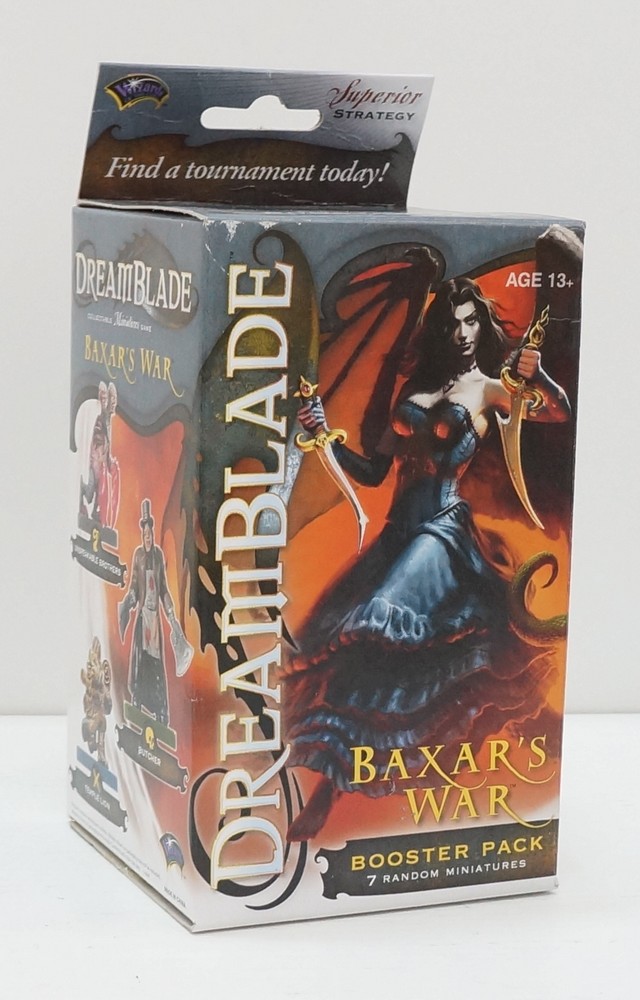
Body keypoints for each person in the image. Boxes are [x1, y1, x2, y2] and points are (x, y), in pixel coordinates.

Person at [284, 277, 570, 841]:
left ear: (480, 326)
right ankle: (330, 785)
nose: (462, 333)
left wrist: (537, 374)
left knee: (380, 617)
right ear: (440, 328)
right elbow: (373, 472)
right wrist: (324, 434)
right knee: (357, 654)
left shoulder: (490, 389)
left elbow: (556, 412)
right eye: (453, 323)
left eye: (471, 321)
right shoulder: (412, 389)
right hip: (399, 533)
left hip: (440, 534)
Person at [118, 499, 192, 725]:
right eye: (145, 535)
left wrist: (171, 615)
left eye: (150, 535)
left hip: (155, 620)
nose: (148, 538)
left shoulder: (158, 556)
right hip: (143, 618)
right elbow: (134, 585)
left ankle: (159, 711)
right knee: (141, 662)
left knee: (156, 664)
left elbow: (164, 589)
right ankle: (138, 702)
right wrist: (130, 600)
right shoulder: (138, 556)